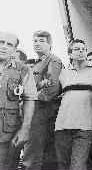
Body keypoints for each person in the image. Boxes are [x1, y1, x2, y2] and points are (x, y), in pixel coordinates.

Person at [54, 39, 92, 170]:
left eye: (83, 49)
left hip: (85, 127)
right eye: (77, 49)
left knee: (77, 165)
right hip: (62, 126)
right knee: (63, 165)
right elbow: (55, 94)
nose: (81, 51)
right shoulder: (63, 73)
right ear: (70, 54)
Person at [22, 30, 63, 170]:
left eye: (41, 41)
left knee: (33, 149)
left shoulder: (53, 60)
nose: (37, 44)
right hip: (34, 110)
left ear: (50, 44)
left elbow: (51, 88)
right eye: (35, 41)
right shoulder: (35, 64)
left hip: (41, 109)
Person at [0, 31, 37, 170]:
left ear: (14, 50)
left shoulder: (23, 70)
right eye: (0, 42)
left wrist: (25, 130)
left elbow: (30, 99)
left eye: (9, 44)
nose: (4, 47)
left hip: (7, 133)